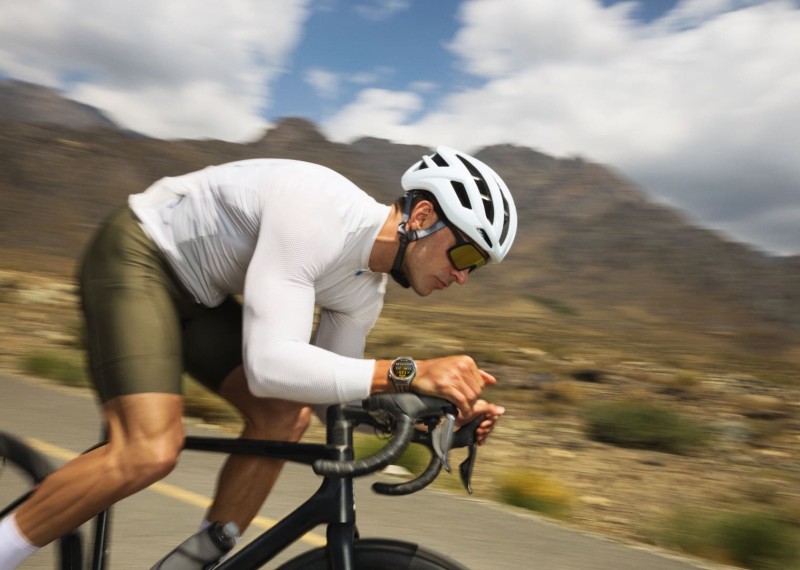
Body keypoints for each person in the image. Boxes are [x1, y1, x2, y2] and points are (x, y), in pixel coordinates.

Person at [0, 145, 518, 568]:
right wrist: (410, 371)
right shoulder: (319, 210)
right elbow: (272, 366)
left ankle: (195, 559)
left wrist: (432, 412)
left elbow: (331, 399)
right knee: (150, 450)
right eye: (465, 253)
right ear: (422, 217)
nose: (463, 276)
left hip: (201, 298)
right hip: (139, 255)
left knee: (285, 417)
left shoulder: (365, 292)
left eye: (477, 267)